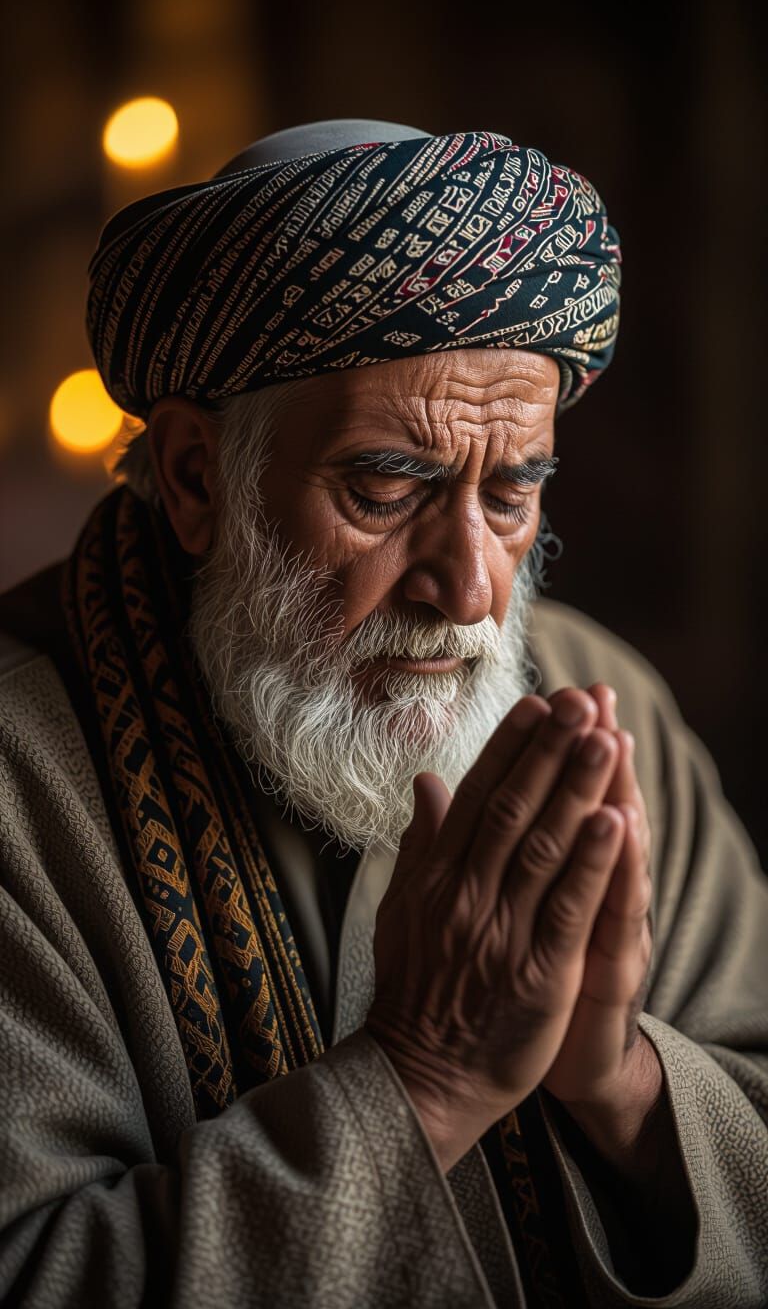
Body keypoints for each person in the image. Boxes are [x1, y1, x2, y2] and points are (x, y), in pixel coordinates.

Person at [0, 119, 766, 1309]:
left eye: (512, 491)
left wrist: (618, 1083)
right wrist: (426, 1076)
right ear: (201, 478)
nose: (468, 589)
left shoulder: (601, 718)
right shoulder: (16, 774)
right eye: (386, 487)